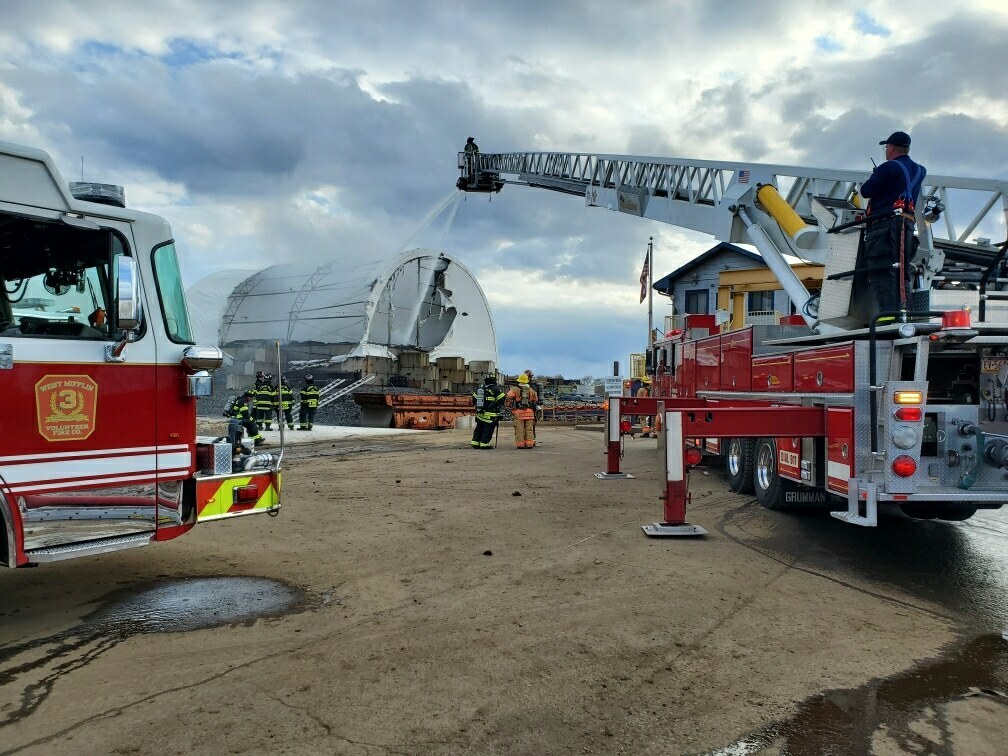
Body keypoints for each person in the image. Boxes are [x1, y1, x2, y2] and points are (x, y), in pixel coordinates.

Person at [855, 131, 927, 322]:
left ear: (892, 147)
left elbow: (866, 191)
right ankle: (904, 313)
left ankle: (888, 316)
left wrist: (876, 176)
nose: (886, 150)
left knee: (882, 268)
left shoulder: (887, 168)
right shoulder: (920, 171)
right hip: (906, 225)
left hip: (885, 226)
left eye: (886, 147)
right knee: (901, 270)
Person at [471, 375, 505, 449]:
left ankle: (475, 442)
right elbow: (502, 399)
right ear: (493, 381)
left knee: (478, 428)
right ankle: (484, 444)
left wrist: (477, 407)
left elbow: (474, 399)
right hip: (490, 415)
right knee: (488, 429)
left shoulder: (480, 389)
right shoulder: (496, 389)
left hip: (480, 414)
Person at [506, 373, 539, 449]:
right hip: (530, 413)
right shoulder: (531, 390)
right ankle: (529, 444)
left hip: (519, 413)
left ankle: (520, 444)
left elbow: (508, 397)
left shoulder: (515, 389)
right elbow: (536, 400)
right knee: (529, 429)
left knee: (519, 430)